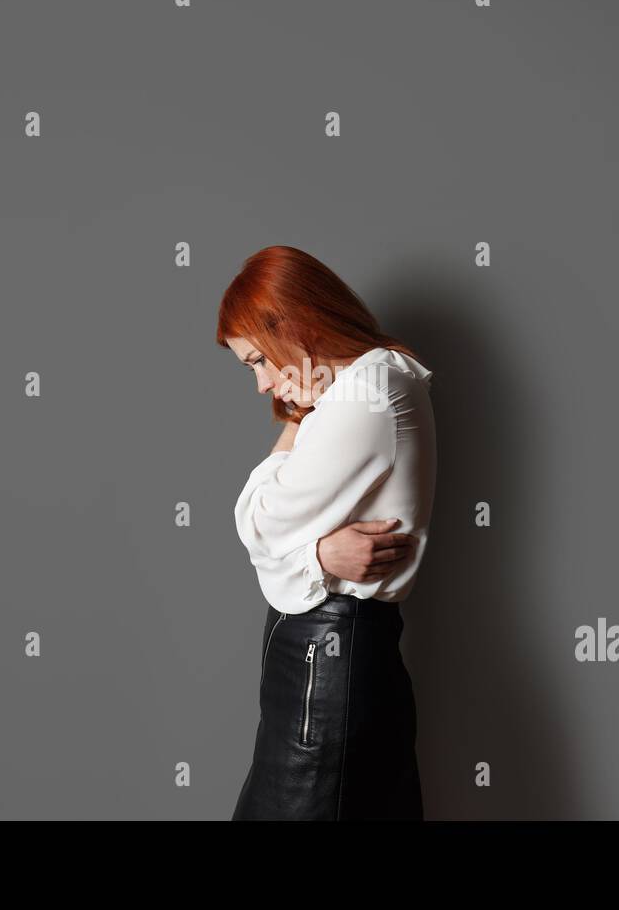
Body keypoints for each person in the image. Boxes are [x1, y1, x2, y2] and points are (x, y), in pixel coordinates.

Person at [218, 244, 437, 820]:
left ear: (290, 325)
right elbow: (273, 536)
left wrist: (303, 556)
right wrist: (318, 556)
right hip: (328, 654)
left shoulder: (366, 395)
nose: (262, 383)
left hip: (329, 656)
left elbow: (257, 524)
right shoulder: (356, 390)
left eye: (257, 361)